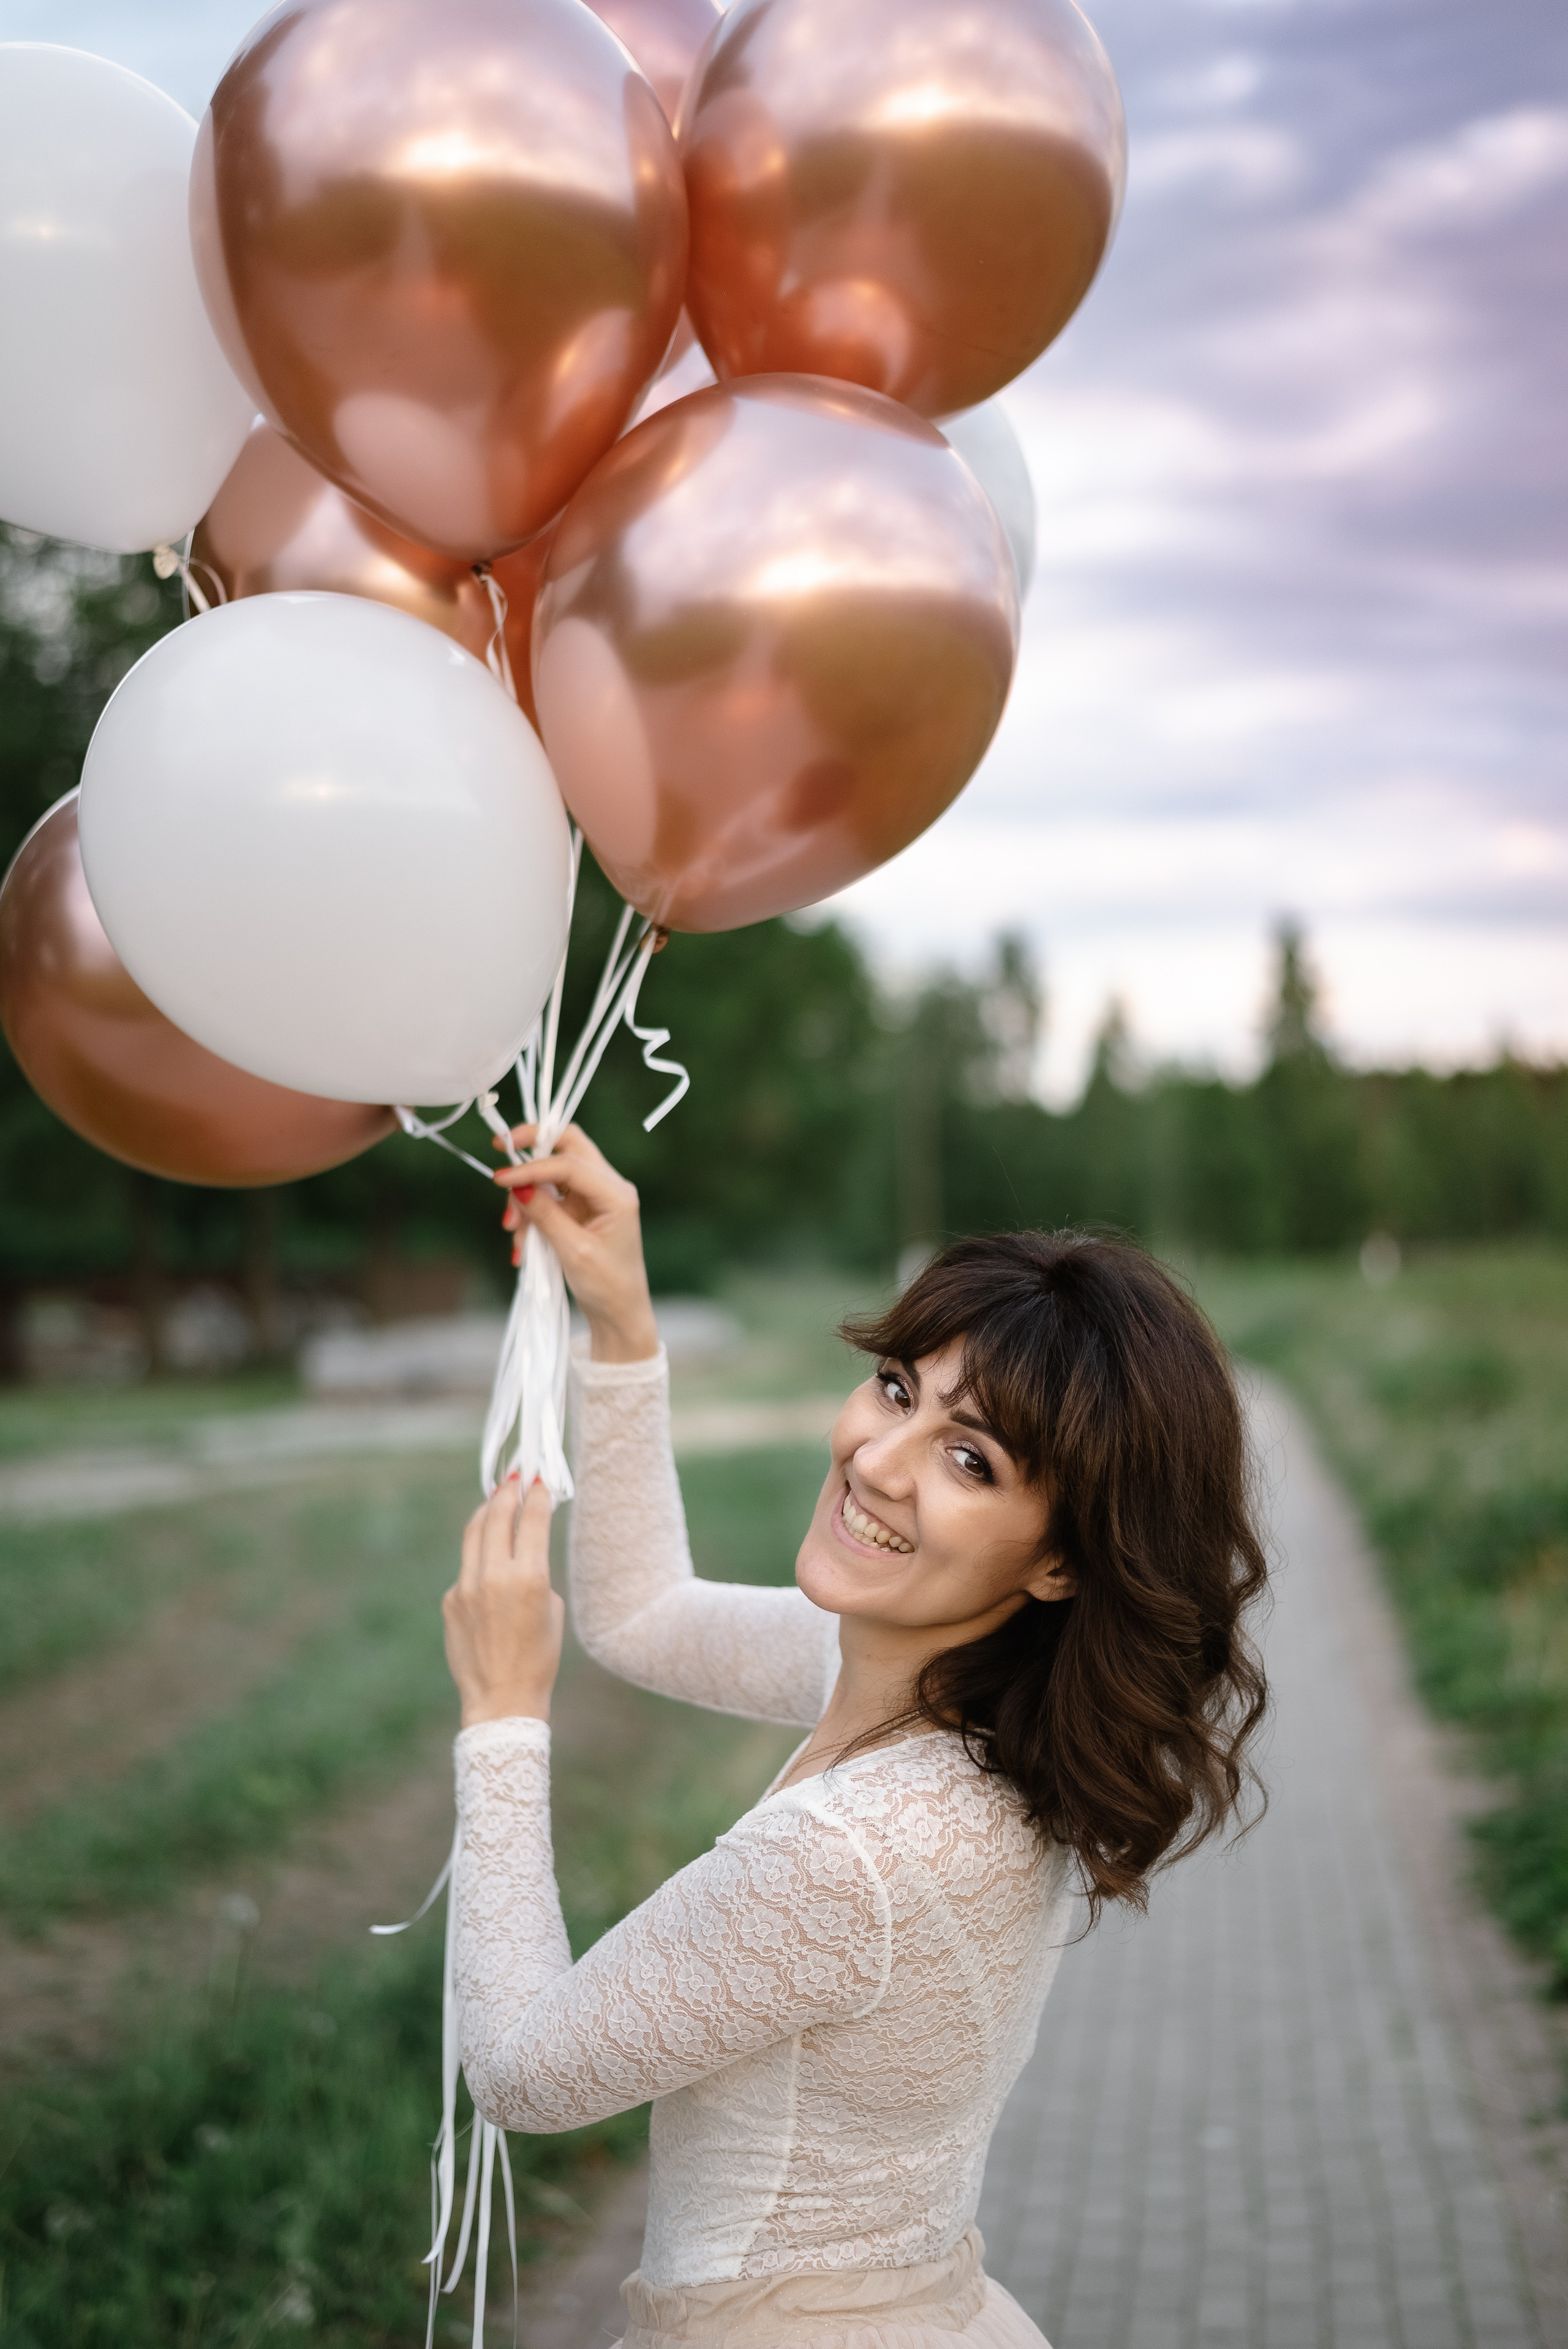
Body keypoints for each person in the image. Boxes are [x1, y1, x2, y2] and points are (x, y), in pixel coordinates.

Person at [442, 1125, 1268, 2349]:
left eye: (969, 1459)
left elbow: (520, 2071)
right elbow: (643, 1616)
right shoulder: (949, 1695)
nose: (877, 1461)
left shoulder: (847, 1855)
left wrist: (502, 1719)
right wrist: (620, 1321)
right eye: (895, 1387)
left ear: (1061, 1562)